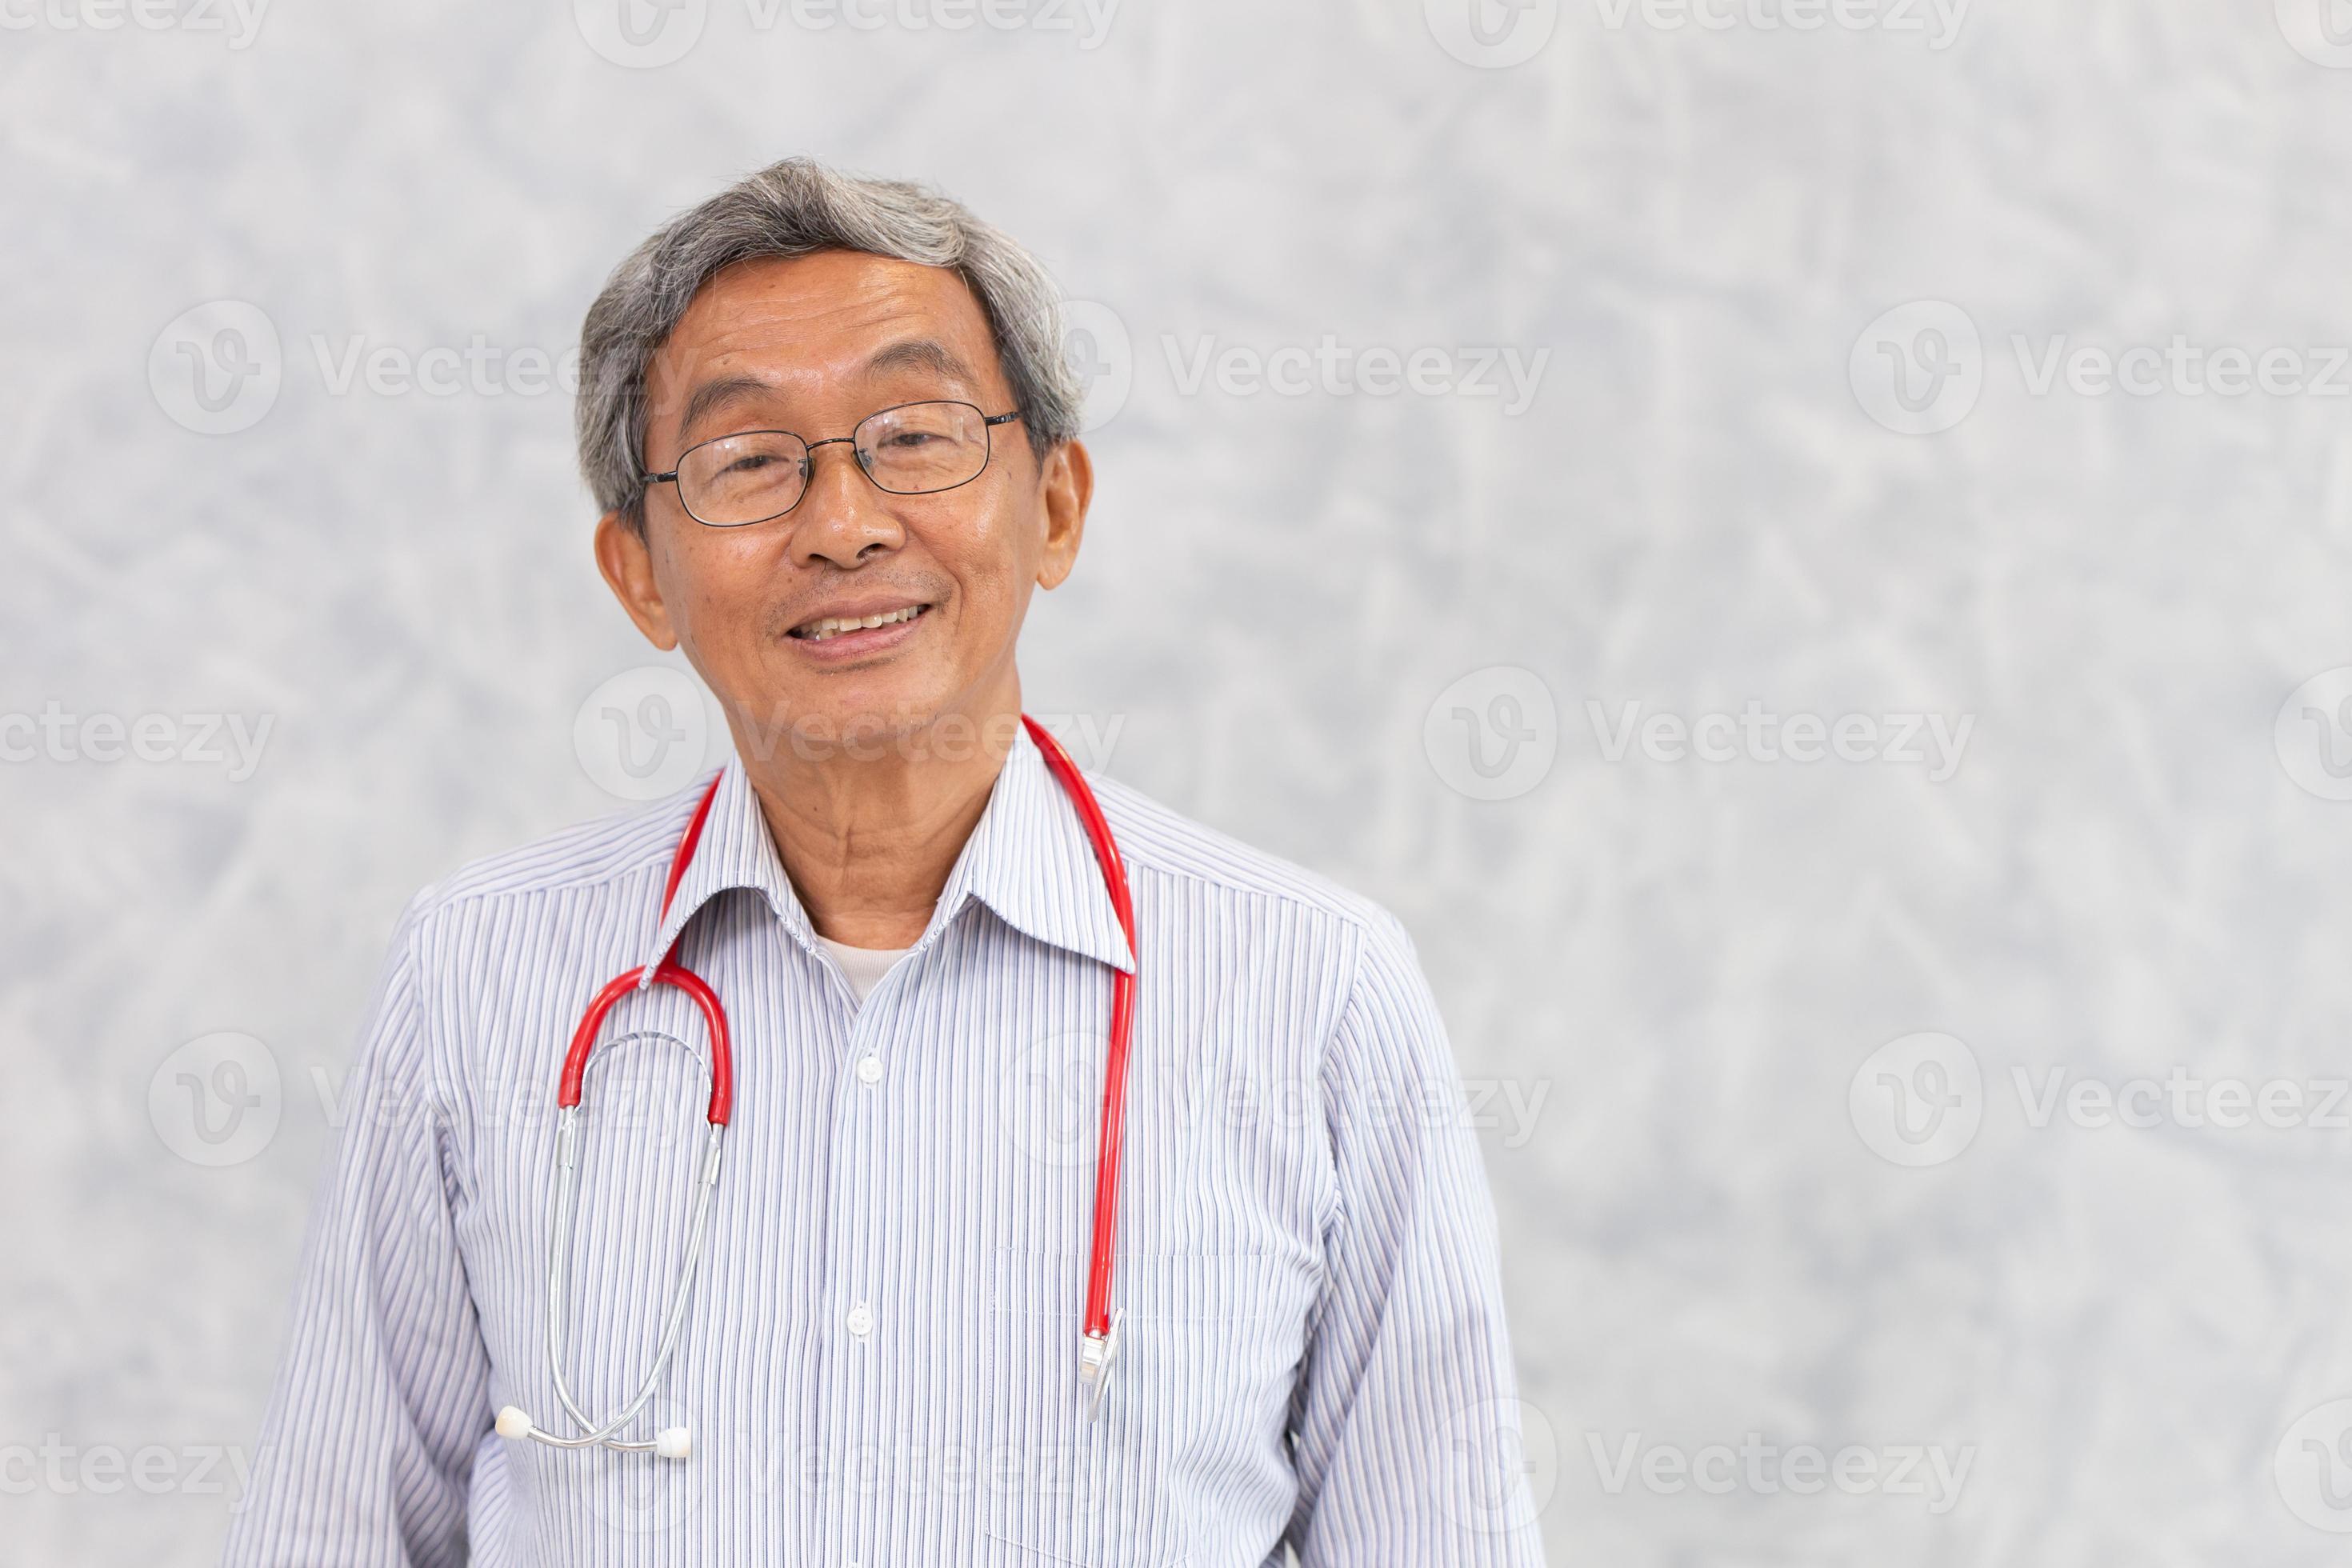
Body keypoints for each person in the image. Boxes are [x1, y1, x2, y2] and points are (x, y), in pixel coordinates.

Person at [221, 155, 1545, 1566]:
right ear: (639, 574)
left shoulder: (1315, 989)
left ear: (1054, 508)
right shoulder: (478, 971)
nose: (843, 523)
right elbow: (334, 1532)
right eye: (748, 463)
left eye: (912, 437)